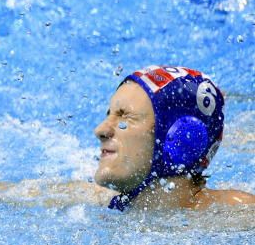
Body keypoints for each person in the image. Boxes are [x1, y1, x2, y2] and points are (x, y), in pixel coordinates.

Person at [94, 65, 255, 211]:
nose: (100, 130)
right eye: (109, 115)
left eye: (124, 116)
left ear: (181, 137)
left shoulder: (237, 213)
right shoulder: (103, 202)